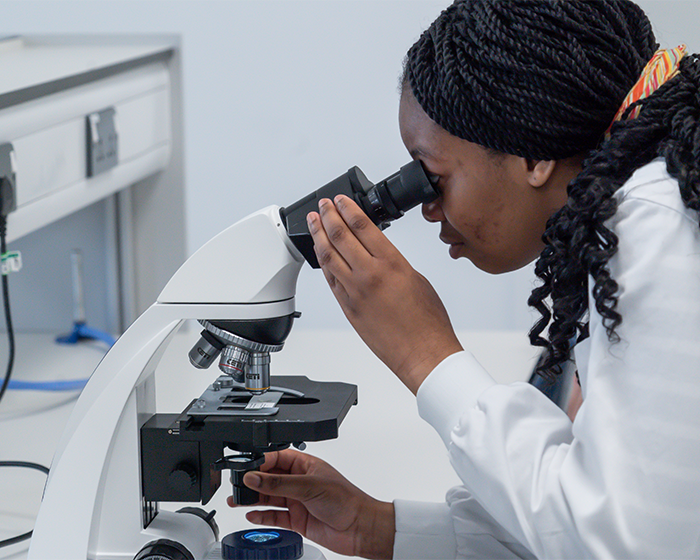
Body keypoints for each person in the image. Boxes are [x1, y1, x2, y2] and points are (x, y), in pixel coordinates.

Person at [227, 1, 700, 558]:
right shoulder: (647, 202)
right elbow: (600, 507)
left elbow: (626, 544)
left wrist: (425, 353)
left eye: (432, 176)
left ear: (532, 156)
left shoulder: (656, 221)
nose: (427, 208)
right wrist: (378, 527)